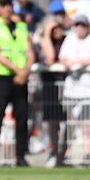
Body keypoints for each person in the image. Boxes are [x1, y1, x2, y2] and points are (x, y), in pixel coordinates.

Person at [0, 0, 35, 167]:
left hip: (20, 78)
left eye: (9, 4)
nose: (7, 8)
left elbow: (29, 51)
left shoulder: (21, 27)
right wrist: (18, 70)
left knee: (22, 116)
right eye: (4, 5)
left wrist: (25, 70)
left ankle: (21, 155)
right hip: (1, 77)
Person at [59, 15, 90, 165]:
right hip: (73, 90)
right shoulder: (70, 39)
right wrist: (70, 63)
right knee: (74, 125)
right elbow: (63, 58)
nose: (80, 28)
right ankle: (73, 154)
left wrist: (77, 62)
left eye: (82, 25)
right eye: (77, 25)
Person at [38, 16, 67, 167]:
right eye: (53, 28)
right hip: (49, 88)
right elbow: (49, 56)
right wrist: (47, 34)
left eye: (58, 27)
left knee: (67, 124)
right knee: (52, 123)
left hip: (66, 87)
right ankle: (53, 152)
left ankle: (63, 153)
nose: (57, 31)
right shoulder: (42, 41)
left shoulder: (67, 40)